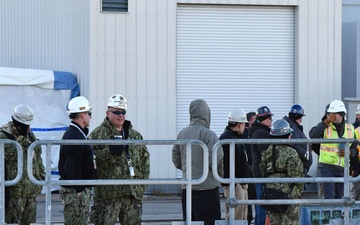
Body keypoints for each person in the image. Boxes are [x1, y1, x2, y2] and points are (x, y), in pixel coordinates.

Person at [89, 94, 150, 225]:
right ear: (107, 113)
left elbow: (145, 160)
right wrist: (109, 151)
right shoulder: (97, 135)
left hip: (132, 194)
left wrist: (141, 185)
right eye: (116, 112)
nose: (120, 115)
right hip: (108, 195)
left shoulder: (134, 135)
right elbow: (90, 160)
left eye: (123, 112)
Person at [172, 99, 223, 225]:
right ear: (207, 114)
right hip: (207, 189)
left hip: (187, 188)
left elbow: (175, 158)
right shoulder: (209, 135)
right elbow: (216, 160)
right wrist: (221, 176)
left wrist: (187, 169)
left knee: (190, 222)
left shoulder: (182, 133)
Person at [0, 104, 45, 225]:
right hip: (14, 194)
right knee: (12, 222)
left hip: (30, 192)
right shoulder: (4, 135)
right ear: (18, 124)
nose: (29, 128)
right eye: (26, 126)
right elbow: (10, 155)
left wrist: (41, 177)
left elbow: (37, 154)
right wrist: (21, 139)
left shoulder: (29, 134)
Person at [58, 96, 97, 225]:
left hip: (77, 189)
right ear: (82, 115)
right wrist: (79, 189)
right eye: (89, 113)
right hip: (75, 192)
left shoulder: (78, 133)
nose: (90, 116)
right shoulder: (74, 135)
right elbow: (71, 165)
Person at [309, 100, 359, 199]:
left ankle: (338, 214)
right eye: (330, 113)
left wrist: (349, 152)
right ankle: (330, 214)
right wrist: (325, 122)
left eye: (334, 113)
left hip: (342, 168)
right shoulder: (326, 126)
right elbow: (312, 135)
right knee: (329, 198)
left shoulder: (350, 129)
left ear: (341, 114)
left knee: (340, 198)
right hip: (327, 167)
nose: (332, 116)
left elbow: (354, 148)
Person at [259, 119, 304, 225]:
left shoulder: (267, 152)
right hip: (289, 196)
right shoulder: (291, 152)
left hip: (271, 194)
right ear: (288, 135)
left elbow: (262, 171)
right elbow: (297, 176)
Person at [219, 108, 250, 220]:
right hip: (235, 183)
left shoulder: (232, 137)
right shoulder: (227, 139)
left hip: (239, 182)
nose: (245, 127)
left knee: (241, 216)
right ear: (239, 124)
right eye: (244, 124)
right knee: (234, 216)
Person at [248, 106, 273, 225]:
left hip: (261, 173)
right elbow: (268, 154)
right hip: (263, 174)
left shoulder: (261, 132)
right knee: (263, 205)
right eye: (269, 118)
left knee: (263, 204)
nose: (271, 120)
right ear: (262, 119)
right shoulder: (261, 133)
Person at [282, 104, 312, 174]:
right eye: (300, 117)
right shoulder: (293, 129)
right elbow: (296, 145)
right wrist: (306, 155)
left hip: (298, 165)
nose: (301, 120)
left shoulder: (293, 127)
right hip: (297, 166)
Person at [244, 111, 256, 223]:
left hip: (255, 170)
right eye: (252, 119)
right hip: (248, 170)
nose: (255, 121)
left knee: (257, 198)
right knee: (247, 198)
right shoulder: (244, 134)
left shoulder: (257, 133)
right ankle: (248, 218)